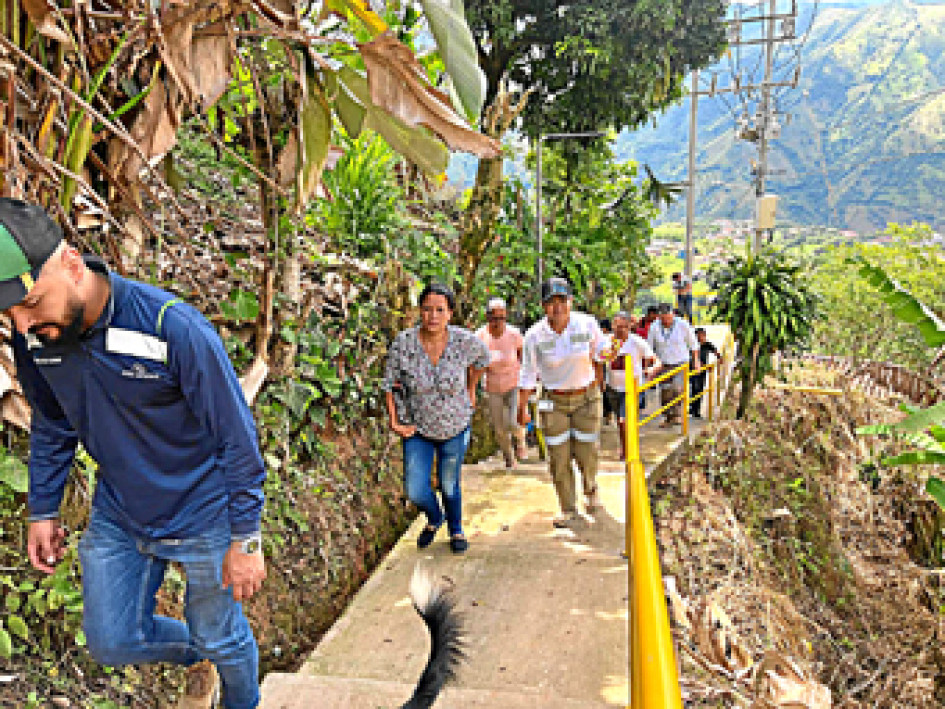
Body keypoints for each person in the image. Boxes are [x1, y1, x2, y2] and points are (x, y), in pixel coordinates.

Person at [1, 198, 266, 708]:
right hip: (121, 513)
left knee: (220, 632)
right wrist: (43, 509)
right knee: (111, 641)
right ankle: (201, 658)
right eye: (9, 313)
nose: (22, 325)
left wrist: (246, 541)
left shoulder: (174, 329)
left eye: (31, 304)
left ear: (73, 265)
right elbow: (53, 423)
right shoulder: (36, 340)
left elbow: (237, 438)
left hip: (205, 514)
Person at [383, 283, 489, 553]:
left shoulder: (463, 341)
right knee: (415, 489)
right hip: (417, 428)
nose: (433, 316)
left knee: (449, 483)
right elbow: (388, 384)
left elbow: (482, 360)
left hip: (455, 425)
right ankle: (434, 518)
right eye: (427, 309)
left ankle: (455, 529)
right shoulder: (404, 343)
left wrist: (471, 390)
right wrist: (395, 421)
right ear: (420, 311)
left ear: (450, 314)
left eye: (440, 310)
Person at [517, 278, 606, 528]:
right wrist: (522, 408)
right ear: (543, 306)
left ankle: (591, 490)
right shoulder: (534, 335)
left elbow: (601, 351)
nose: (557, 307)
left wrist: (610, 350)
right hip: (552, 402)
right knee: (558, 457)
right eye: (551, 302)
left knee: (587, 452)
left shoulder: (587, 324)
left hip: (586, 399)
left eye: (562, 301)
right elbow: (527, 374)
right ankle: (568, 508)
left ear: (571, 302)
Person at [475, 297, 527, 468]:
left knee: (513, 422)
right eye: (494, 318)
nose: (498, 322)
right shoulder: (480, 336)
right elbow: (476, 364)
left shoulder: (514, 334)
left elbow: (522, 357)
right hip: (492, 386)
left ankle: (520, 440)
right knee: (499, 429)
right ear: (487, 317)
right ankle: (509, 458)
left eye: (501, 318)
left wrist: (527, 381)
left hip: (513, 383)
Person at [603, 312, 661, 461]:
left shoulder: (637, 342)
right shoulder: (606, 341)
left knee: (624, 420)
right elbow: (598, 359)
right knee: (620, 421)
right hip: (613, 387)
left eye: (623, 326)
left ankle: (628, 448)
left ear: (630, 326)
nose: (620, 329)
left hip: (632, 388)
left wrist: (651, 370)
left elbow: (656, 361)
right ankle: (625, 445)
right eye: (617, 326)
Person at [646, 303, 699, 428]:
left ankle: (678, 415)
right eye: (663, 318)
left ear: (673, 315)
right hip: (663, 364)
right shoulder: (654, 327)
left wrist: (696, 361)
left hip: (681, 363)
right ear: (659, 317)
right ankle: (667, 417)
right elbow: (649, 348)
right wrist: (649, 367)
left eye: (669, 318)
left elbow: (693, 344)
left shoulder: (682, 325)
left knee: (677, 388)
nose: (666, 321)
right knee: (666, 392)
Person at [689, 327, 720, 419]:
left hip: (703, 371)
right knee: (694, 388)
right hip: (693, 370)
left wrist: (719, 358)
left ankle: (696, 409)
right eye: (699, 335)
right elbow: (690, 356)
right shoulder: (692, 345)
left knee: (700, 389)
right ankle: (693, 408)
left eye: (703, 335)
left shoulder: (707, 345)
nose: (701, 337)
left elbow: (715, 352)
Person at [599, 318, 614, 425]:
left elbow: (603, 356)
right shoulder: (612, 338)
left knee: (605, 393)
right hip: (607, 368)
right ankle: (608, 414)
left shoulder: (605, 339)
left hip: (605, 367)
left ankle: (608, 414)